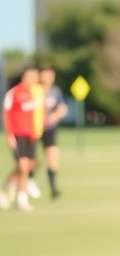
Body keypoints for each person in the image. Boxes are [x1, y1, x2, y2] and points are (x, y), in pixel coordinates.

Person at [1, 66, 44, 212]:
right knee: (24, 167)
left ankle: (7, 186)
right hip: (17, 135)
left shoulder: (36, 93)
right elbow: (6, 114)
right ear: (24, 76)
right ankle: (22, 200)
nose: (34, 78)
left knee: (29, 165)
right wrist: (9, 135)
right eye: (31, 75)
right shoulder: (14, 93)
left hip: (31, 135)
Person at [38, 66, 68, 199]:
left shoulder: (56, 91)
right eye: (45, 75)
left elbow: (62, 108)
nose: (48, 78)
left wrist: (54, 116)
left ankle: (53, 188)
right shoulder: (35, 91)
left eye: (50, 75)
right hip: (34, 128)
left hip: (50, 129)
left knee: (53, 156)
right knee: (31, 161)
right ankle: (26, 182)